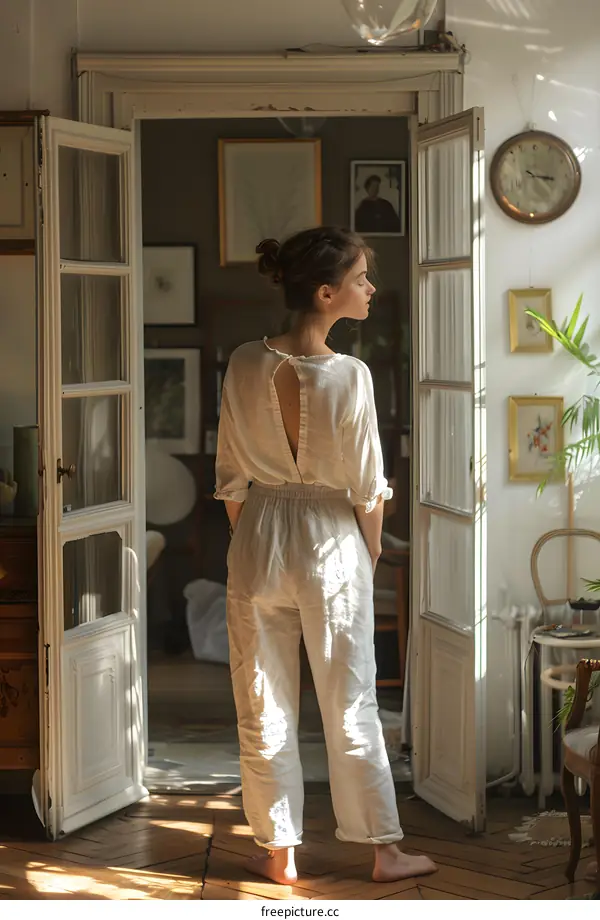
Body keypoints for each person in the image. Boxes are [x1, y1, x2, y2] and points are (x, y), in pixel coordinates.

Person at [214, 227, 436, 886]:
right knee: (351, 701)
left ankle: (279, 850)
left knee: (262, 700)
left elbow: (230, 480)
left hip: (257, 534)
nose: (371, 288)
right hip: (332, 539)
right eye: (363, 278)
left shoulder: (242, 362)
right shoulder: (351, 374)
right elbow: (369, 489)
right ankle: (382, 849)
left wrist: (255, 539)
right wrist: (364, 558)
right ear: (325, 292)